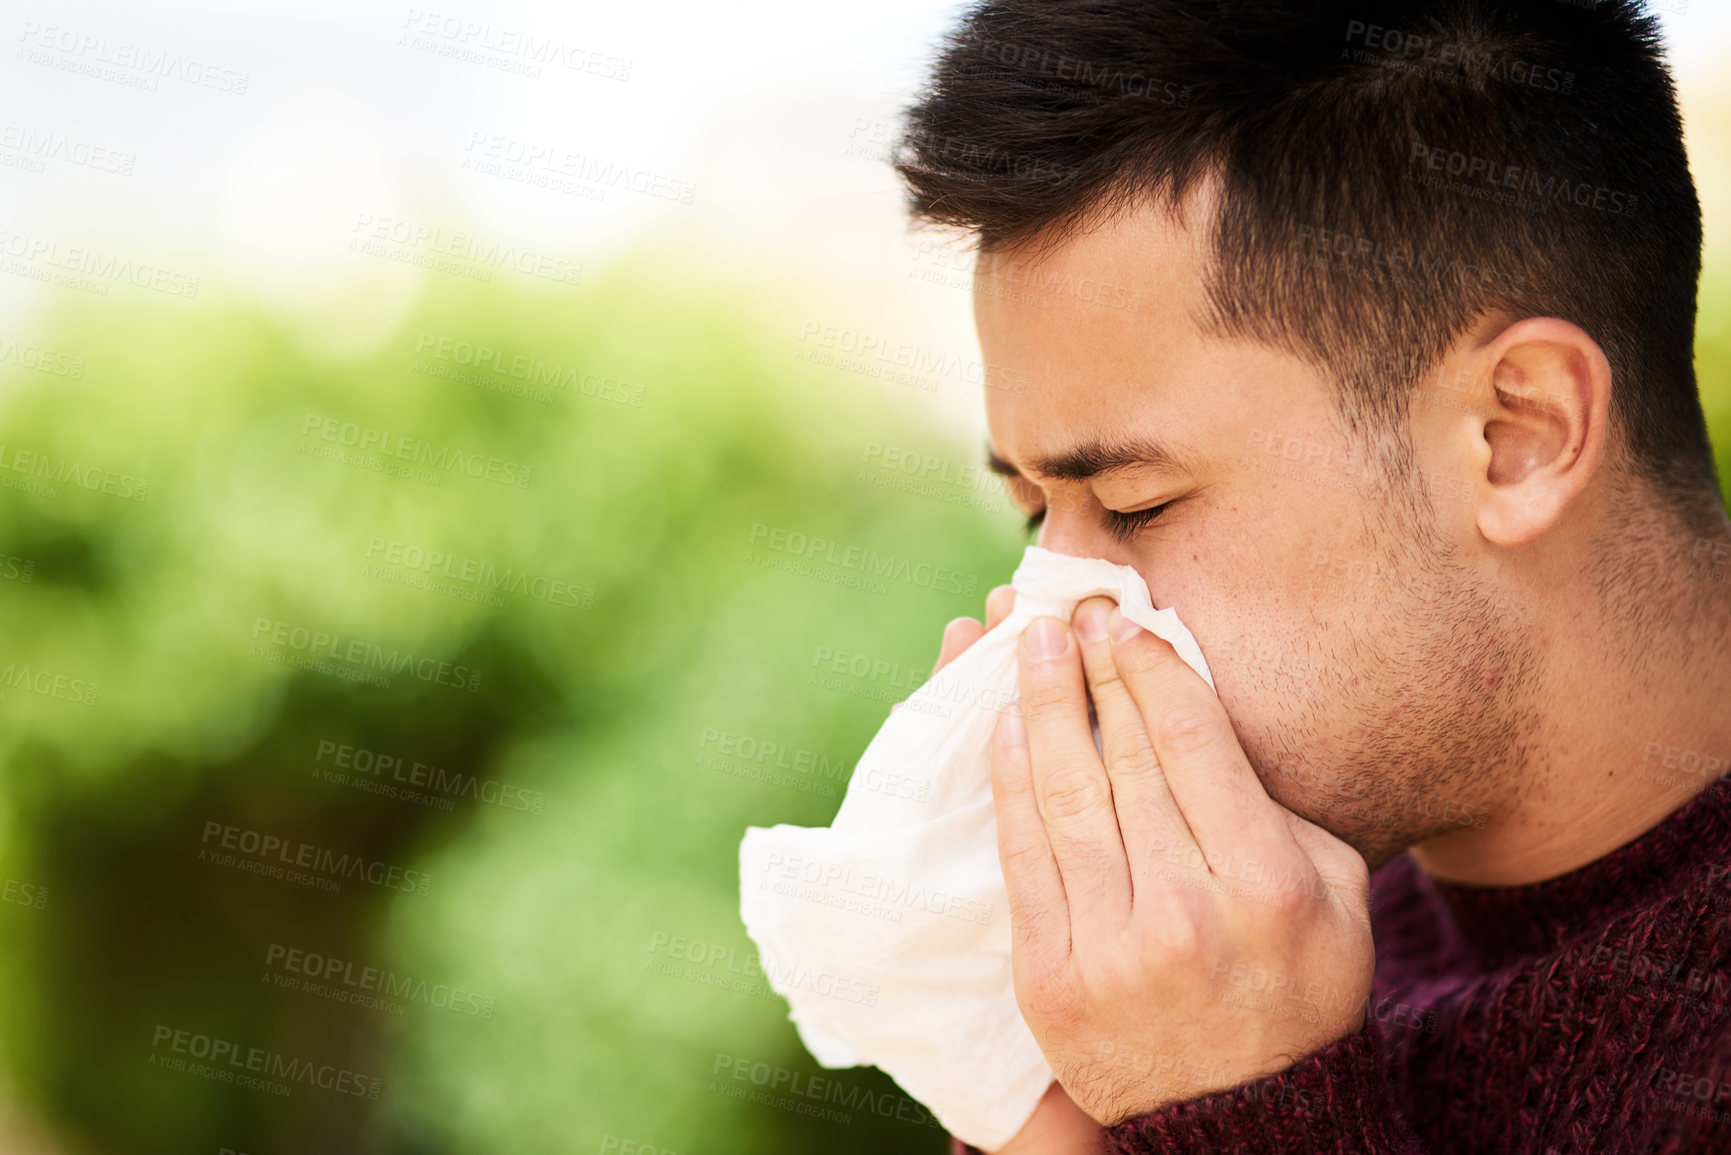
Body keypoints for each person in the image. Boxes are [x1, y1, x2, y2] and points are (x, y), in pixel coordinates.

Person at [891, 0, 1731, 1150]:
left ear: (1516, 434)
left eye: (1136, 504)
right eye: (1037, 512)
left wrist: (1238, 1111)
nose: (1047, 617)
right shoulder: (1197, 970)